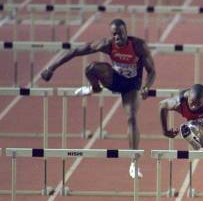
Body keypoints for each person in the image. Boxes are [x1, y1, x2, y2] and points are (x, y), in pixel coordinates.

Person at [40, 18, 156, 179]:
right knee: (91, 68)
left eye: (120, 34)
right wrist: (51, 67)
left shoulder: (138, 46)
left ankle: (134, 162)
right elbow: (76, 51)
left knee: (132, 118)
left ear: (126, 32)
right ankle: (94, 88)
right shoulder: (106, 45)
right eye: (114, 34)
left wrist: (146, 87)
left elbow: (152, 71)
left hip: (132, 86)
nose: (117, 37)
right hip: (114, 80)